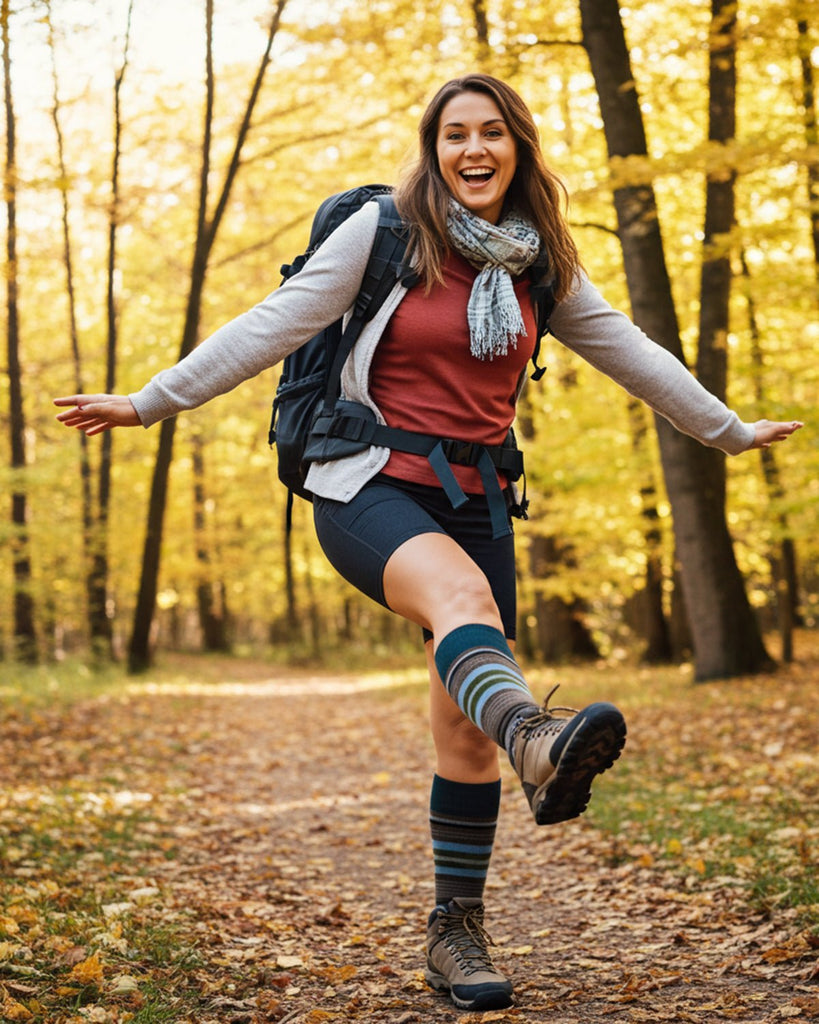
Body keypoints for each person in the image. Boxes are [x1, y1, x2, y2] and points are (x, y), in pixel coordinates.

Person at [54, 73, 802, 1011]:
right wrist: (149, 401)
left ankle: (456, 929)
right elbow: (269, 326)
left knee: (462, 727)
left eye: (492, 133)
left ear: (518, 148)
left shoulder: (537, 263)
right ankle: (535, 735)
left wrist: (725, 430)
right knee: (465, 608)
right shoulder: (383, 237)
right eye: (455, 135)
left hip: (478, 498)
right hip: (366, 485)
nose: (474, 150)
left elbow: (630, 351)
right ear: (433, 148)